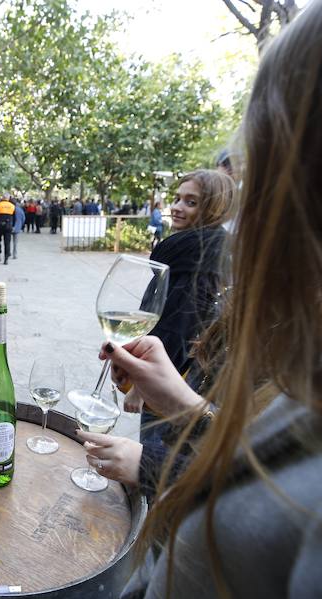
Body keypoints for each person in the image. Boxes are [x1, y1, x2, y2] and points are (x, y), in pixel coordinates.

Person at [79, 1, 322, 597]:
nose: (247, 206)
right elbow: (263, 457)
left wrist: (152, 462)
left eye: (258, 164)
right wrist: (182, 401)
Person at [91, 170, 234, 500]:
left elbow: (180, 331)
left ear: (215, 208)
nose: (178, 207)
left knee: (156, 469)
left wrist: (139, 389)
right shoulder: (194, 250)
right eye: (178, 198)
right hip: (180, 384)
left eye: (192, 202)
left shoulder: (200, 260)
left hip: (173, 385)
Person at [0, 195, 16, 264]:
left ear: (2, 198)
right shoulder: (12, 206)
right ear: (8, 198)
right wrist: (13, 225)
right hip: (8, 226)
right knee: (7, 242)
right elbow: (14, 217)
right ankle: (6, 259)